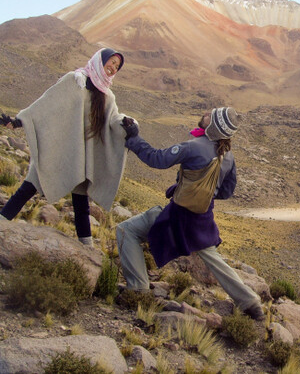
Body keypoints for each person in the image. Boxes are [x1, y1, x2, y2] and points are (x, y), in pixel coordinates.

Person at [116, 107, 264, 320]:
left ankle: (138, 287)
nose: (205, 113)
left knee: (126, 230)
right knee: (214, 260)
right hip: (202, 218)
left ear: (213, 125)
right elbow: (226, 191)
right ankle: (250, 301)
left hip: (178, 216)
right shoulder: (228, 156)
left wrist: (134, 138)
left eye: (209, 115)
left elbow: (156, 159)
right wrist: (205, 193)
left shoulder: (193, 146)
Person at [0, 48, 130, 246]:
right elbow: (47, 103)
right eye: (111, 62)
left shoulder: (108, 96)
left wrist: (128, 124)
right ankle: (2, 222)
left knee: (81, 202)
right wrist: (18, 121)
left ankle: (87, 248)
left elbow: (113, 119)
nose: (113, 68)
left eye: (117, 67)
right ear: (100, 60)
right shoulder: (75, 80)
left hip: (81, 154)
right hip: (59, 145)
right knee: (30, 185)